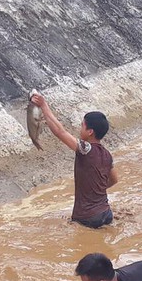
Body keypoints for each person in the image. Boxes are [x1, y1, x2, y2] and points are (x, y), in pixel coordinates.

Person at [30, 93, 118, 228]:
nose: (79, 128)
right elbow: (114, 180)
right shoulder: (107, 155)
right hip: (106, 213)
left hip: (87, 217)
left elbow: (60, 132)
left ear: (90, 132)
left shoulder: (85, 148)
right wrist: (96, 190)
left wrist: (44, 106)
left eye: (82, 125)